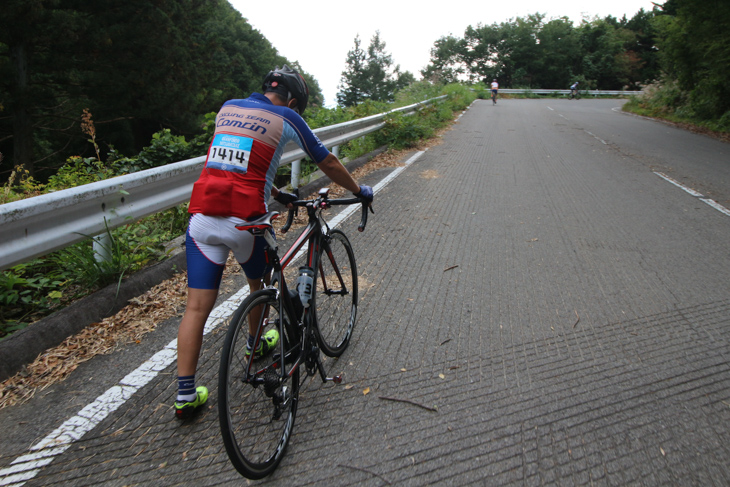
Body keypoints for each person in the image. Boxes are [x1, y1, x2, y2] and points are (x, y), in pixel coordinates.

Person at [174, 65, 374, 419]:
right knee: (261, 286)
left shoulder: (228, 108)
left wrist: (278, 192)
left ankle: (185, 395)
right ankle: (253, 345)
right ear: (293, 101)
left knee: (195, 309)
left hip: (202, 217)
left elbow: (234, 164)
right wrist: (359, 191)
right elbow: (325, 159)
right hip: (245, 222)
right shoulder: (286, 116)